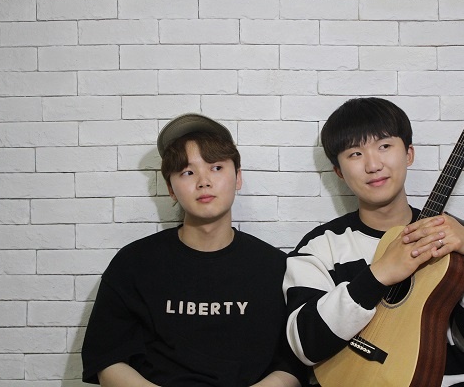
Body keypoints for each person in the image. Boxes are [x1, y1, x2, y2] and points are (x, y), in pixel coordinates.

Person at [283, 97, 464, 386]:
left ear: (409, 154)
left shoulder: (453, 236)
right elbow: (306, 346)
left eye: (384, 146)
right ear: (339, 171)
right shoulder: (320, 246)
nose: (373, 165)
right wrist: (379, 274)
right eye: (355, 153)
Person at [82, 113, 308, 387]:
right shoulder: (133, 264)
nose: (204, 181)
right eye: (187, 172)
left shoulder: (275, 267)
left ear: (238, 177)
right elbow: (107, 359)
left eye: (216, 167)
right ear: (171, 189)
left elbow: (293, 363)